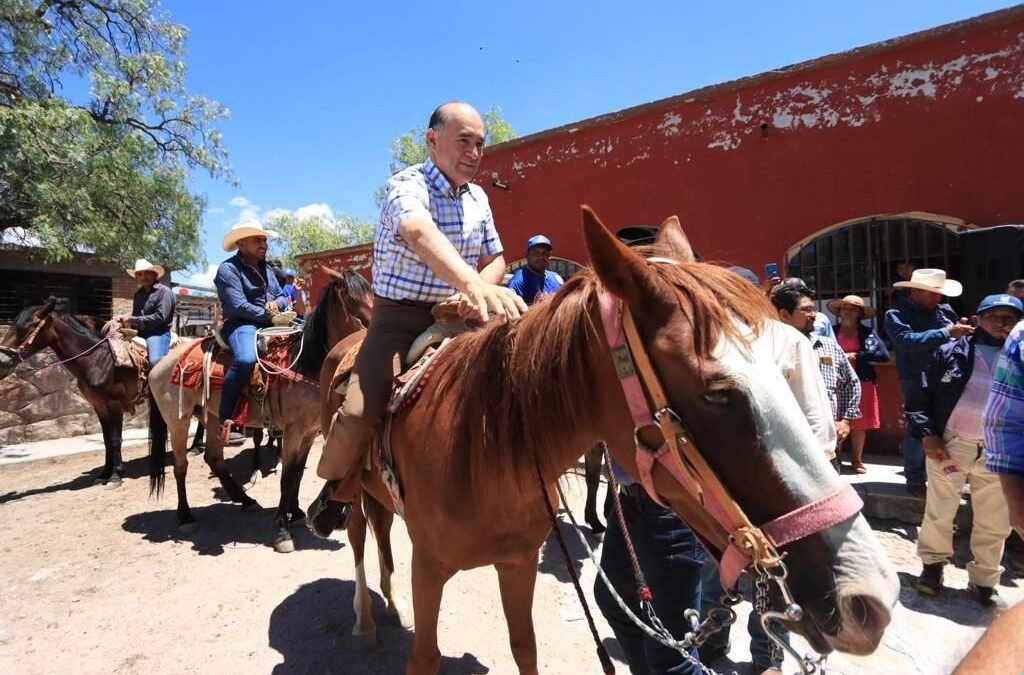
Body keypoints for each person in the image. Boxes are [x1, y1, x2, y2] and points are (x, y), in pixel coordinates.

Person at [309, 102, 526, 529]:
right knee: (358, 412)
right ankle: (337, 487)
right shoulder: (406, 186)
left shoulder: (479, 197)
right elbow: (418, 231)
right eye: (464, 140)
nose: (475, 152)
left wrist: (478, 287)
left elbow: (497, 255)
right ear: (432, 140)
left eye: (480, 143)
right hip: (399, 318)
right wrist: (474, 284)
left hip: (462, 316)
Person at [593, 237, 707, 675]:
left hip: (670, 505)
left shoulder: (675, 344)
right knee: (613, 599)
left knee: (673, 655)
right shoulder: (623, 343)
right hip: (630, 500)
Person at [906, 294, 1023, 611]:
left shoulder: (1020, 357)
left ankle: (984, 581)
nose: (1002, 323)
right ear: (978, 319)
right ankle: (932, 567)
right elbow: (919, 398)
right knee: (940, 509)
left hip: (1001, 453)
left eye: (1010, 318)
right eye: (994, 316)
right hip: (951, 445)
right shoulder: (949, 352)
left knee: (995, 519)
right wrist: (928, 435)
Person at [884, 268, 970, 498]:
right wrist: (946, 333)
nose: (938, 298)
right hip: (916, 376)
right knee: (918, 428)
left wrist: (960, 331)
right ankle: (914, 476)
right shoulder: (896, 313)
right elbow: (905, 341)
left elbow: (953, 337)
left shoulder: (944, 310)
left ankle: (945, 474)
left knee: (947, 424)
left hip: (947, 376)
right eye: (933, 294)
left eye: (939, 293)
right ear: (915, 291)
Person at [214, 220, 291, 444]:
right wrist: (268, 314)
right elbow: (238, 305)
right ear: (241, 243)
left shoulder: (266, 268)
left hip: (269, 321)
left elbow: (280, 296)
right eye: (258, 240)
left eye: (265, 240)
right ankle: (226, 418)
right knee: (246, 358)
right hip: (241, 324)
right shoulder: (227, 269)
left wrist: (277, 304)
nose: (264, 244)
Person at [773, 284, 861, 472]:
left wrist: (845, 420)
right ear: (784, 315)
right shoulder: (772, 350)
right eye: (806, 310)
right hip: (788, 445)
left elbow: (851, 383)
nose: (813, 314)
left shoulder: (828, 345)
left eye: (814, 309)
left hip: (827, 445)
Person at [828, 295, 889, 473]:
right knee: (833, 420)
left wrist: (856, 355)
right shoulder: (831, 331)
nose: (848, 312)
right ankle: (834, 459)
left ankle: (857, 459)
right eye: (845, 308)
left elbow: (882, 355)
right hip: (835, 382)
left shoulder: (867, 333)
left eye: (853, 309)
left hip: (862, 382)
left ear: (860, 314)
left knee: (859, 424)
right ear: (839, 312)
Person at [117, 258, 175, 366]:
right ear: (136, 278)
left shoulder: (164, 292)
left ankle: (159, 382)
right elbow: (136, 316)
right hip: (140, 333)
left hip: (158, 333)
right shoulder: (138, 294)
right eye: (139, 274)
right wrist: (126, 321)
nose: (143, 277)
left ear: (155, 274)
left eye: (147, 273)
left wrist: (131, 319)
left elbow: (160, 318)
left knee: (155, 362)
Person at [506, 235, 564, 305]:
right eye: (536, 253)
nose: (541, 257)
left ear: (549, 256)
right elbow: (512, 311)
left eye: (545, 253)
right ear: (527, 255)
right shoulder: (519, 281)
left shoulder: (556, 279)